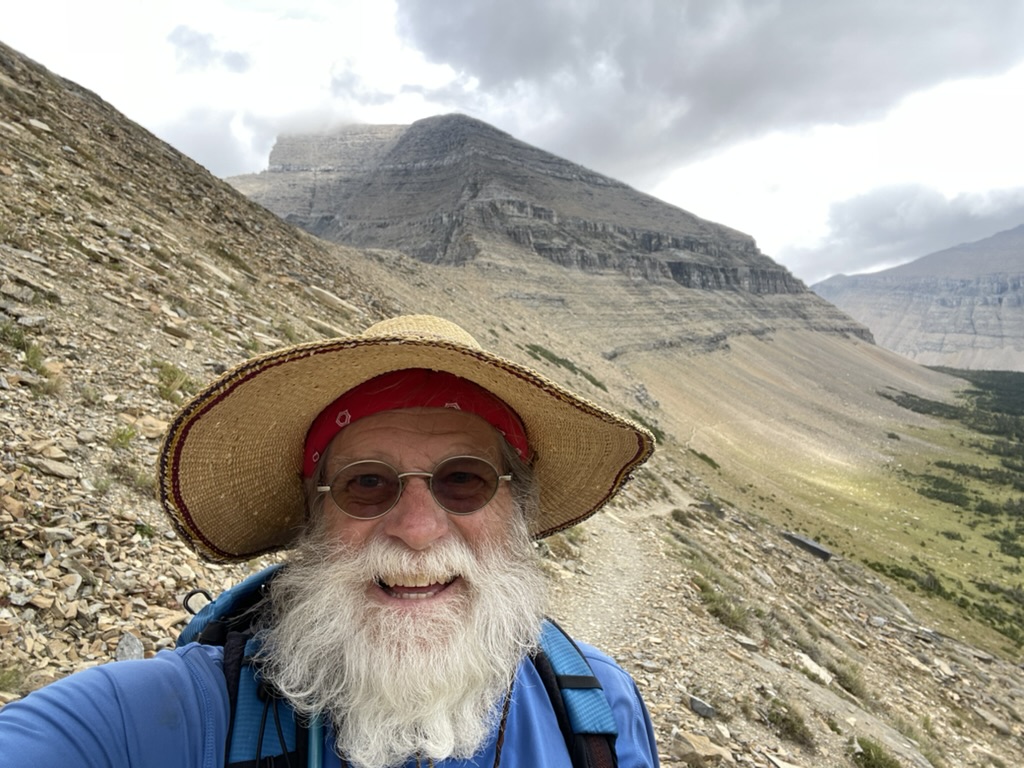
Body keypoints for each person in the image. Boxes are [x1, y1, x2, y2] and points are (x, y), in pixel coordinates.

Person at [0, 314, 659, 768]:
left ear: (515, 506)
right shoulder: (163, 716)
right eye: (366, 484)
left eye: (464, 480)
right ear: (313, 520)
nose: (419, 528)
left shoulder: (598, 711)